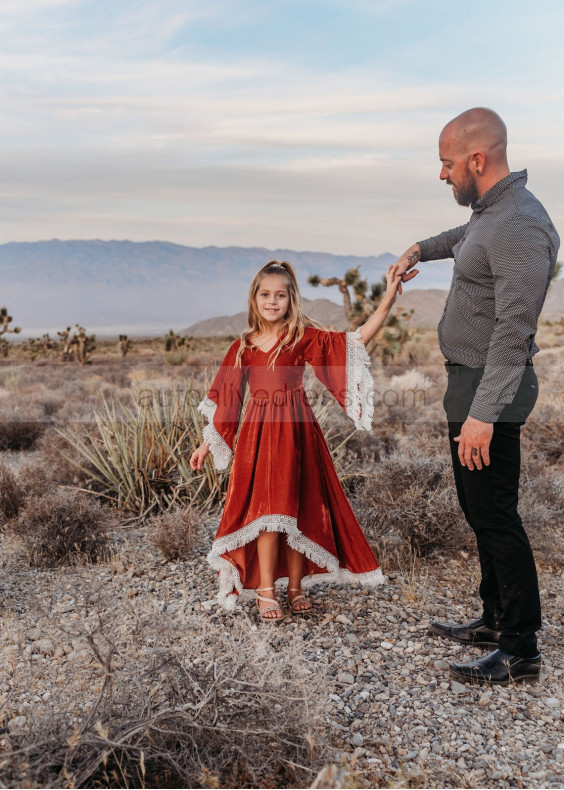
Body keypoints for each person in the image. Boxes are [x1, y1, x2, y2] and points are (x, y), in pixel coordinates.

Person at [395, 107, 560, 684]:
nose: (442, 175)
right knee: (478, 508)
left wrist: (483, 415)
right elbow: (465, 236)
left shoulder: (519, 225)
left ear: (477, 160)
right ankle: (493, 619)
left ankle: (520, 649)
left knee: (494, 515)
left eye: (446, 164)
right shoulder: (493, 212)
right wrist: (420, 248)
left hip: (493, 389)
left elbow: (514, 331)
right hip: (471, 382)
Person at [190, 259, 405, 620]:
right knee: (267, 512)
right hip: (258, 439)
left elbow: (353, 342)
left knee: (296, 508)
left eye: (280, 295)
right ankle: (264, 589)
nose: (272, 301)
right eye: (265, 294)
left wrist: (387, 302)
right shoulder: (242, 347)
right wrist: (208, 442)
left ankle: (295, 586)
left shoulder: (300, 337)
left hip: (297, 433)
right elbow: (227, 398)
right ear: (254, 298)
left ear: (291, 300)